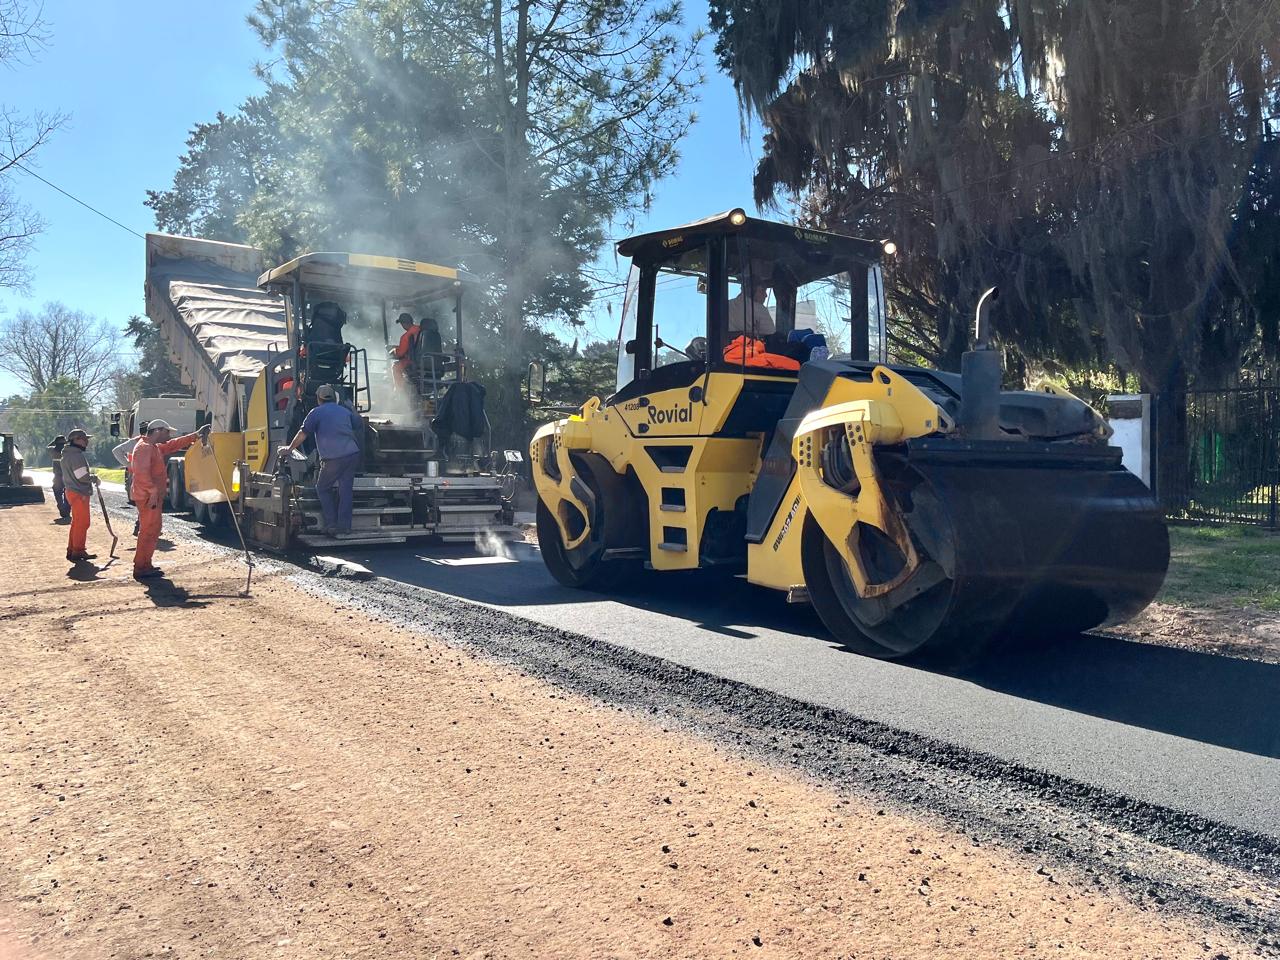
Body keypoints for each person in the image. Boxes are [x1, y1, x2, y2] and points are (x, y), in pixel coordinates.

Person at [279, 384, 364, 538]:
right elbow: (358, 424)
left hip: (333, 458)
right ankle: (344, 527)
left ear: (318, 399)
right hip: (352, 454)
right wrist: (352, 409)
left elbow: (302, 433)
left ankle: (331, 525)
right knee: (345, 490)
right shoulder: (344, 411)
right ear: (334, 398)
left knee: (323, 488)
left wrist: (289, 449)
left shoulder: (316, 413)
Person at [130, 419, 210, 580]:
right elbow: (141, 474)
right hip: (148, 497)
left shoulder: (153, 447)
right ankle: (141, 567)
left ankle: (145, 564)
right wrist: (152, 492)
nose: (168, 435)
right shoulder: (144, 448)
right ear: (158, 431)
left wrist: (196, 435)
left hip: (151, 497)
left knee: (152, 530)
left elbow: (173, 445)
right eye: (167, 432)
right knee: (148, 531)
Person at [59, 428, 101, 563]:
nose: (87, 441)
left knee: (76, 523)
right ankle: (78, 550)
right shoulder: (76, 455)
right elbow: (82, 476)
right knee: (83, 523)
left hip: (72, 491)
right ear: (76, 440)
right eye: (84, 439)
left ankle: (72, 549)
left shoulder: (68, 454)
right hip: (79, 492)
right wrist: (93, 478)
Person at [113, 422, 148, 536]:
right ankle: (141, 527)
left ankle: (141, 526)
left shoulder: (137, 442)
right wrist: (128, 464)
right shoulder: (137, 442)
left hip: (140, 476)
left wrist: (128, 464)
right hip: (140, 478)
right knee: (145, 504)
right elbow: (116, 451)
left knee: (145, 504)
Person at [390, 312, 421, 389]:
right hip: (425, 360)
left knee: (396, 367)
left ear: (404, 324)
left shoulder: (406, 336)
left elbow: (400, 353)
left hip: (413, 362)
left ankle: (400, 391)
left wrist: (394, 350)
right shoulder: (421, 330)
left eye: (401, 324)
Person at [47, 435, 71, 523]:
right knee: (68, 493)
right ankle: (66, 510)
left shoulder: (52, 451)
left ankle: (61, 506)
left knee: (57, 491)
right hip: (67, 475)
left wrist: (54, 442)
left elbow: (48, 446)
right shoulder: (67, 451)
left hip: (57, 476)